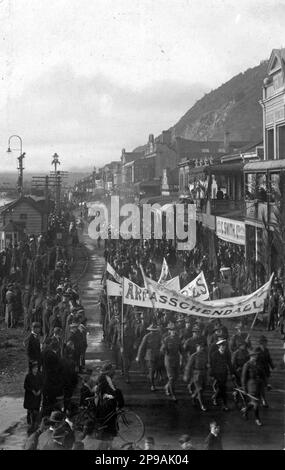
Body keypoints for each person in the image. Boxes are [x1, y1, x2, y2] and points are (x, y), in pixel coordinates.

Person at [241, 348, 266, 426]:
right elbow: (243, 378)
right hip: (251, 385)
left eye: (256, 355)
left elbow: (263, 375)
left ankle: (245, 410)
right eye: (254, 355)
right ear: (250, 356)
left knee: (253, 402)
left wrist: (266, 384)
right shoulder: (247, 365)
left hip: (259, 385)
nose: (255, 357)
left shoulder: (259, 364)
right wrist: (244, 389)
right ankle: (257, 419)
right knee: (256, 403)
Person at [209, 339, 235, 411]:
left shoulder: (227, 354)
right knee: (223, 388)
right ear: (219, 346)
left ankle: (215, 397)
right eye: (222, 346)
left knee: (221, 388)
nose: (223, 347)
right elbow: (212, 365)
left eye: (225, 346)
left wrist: (232, 373)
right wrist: (212, 375)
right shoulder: (214, 354)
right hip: (217, 374)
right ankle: (224, 404)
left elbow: (229, 364)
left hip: (224, 373)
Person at [183, 340, 208, 411]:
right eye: (199, 347)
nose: (201, 348)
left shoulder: (205, 355)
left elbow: (206, 363)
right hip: (196, 374)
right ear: (197, 347)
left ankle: (193, 396)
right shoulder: (193, 356)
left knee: (203, 388)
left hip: (204, 373)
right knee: (199, 390)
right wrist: (186, 376)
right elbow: (188, 367)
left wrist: (207, 366)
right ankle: (202, 405)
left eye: (202, 347)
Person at [160, 323, 183, 402]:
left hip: (176, 359)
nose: (173, 331)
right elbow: (162, 350)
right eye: (171, 330)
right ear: (169, 331)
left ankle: (167, 386)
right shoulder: (166, 339)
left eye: (174, 330)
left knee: (176, 377)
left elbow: (181, 350)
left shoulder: (178, 339)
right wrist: (166, 351)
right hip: (169, 360)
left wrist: (183, 358)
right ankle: (173, 394)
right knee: (171, 377)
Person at [136, 324, 162, 391]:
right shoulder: (147, 336)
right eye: (152, 330)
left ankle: (154, 379)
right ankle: (152, 385)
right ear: (150, 330)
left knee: (158, 368)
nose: (153, 332)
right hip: (150, 356)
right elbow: (141, 347)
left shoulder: (159, 336)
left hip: (157, 355)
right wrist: (138, 356)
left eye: (155, 330)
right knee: (152, 371)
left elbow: (162, 345)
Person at [23, 361, 43, 435]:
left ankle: (34, 424)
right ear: (31, 369)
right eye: (34, 368)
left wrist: (40, 391)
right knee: (31, 409)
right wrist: (32, 390)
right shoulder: (28, 376)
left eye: (37, 368)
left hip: (37, 396)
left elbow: (42, 384)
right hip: (30, 396)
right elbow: (25, 386)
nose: (36, 369)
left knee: (36, 410)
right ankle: (31, 423)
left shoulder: (40, 376)